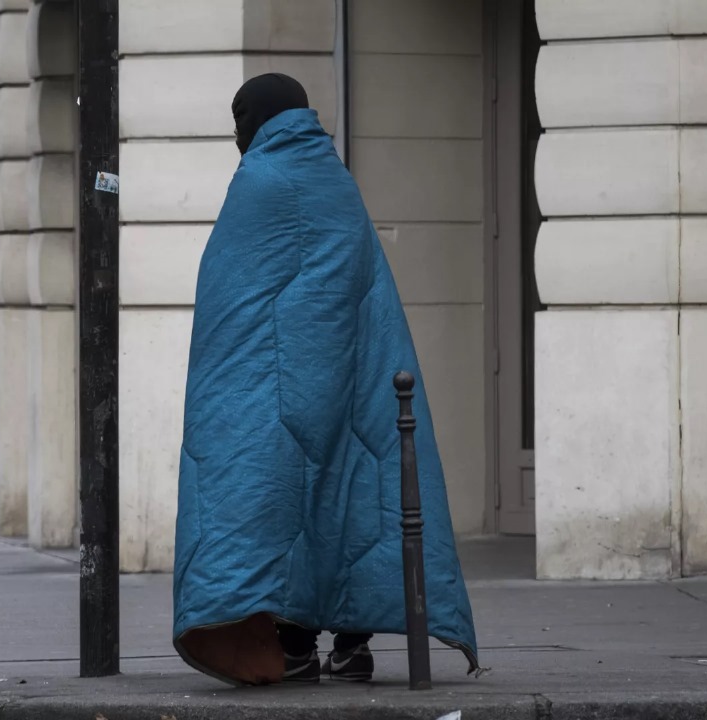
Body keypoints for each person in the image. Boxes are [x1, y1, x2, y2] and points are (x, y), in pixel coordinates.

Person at [171, 74, 480, 686]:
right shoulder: (337, 181)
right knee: (350, 497)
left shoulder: (257, 180)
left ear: (255, 119)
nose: (238, 132)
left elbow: (232, 296)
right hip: (350, 380)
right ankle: (351, 642)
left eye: (240, 118)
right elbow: (364, 293)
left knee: (276, 504)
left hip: (278, 385)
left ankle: (292, 641)